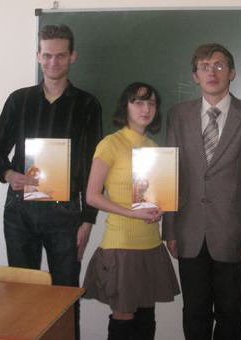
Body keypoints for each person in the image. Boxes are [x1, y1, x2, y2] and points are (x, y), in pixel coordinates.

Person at [0, 24, 102, 340]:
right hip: (20, 212)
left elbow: (94, 166)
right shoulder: (19, 100)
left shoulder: (87, 105)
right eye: (47, 55)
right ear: (38, 55)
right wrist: (9, 174)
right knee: (22, 294)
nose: (53, 62)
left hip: (66, 214)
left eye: (60, 55)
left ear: (72, 56)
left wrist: (88, 220)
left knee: (65, 297)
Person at [162, 43, 241, 340]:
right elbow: (171, 175)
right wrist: (170, 230)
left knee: (231, 316)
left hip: (234, 237)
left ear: (232, 73)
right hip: (189, 233)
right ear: (195, 76)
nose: (212, 72)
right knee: (194, 315)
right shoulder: (178, 115)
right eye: (204, 67)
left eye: (219, 66)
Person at [82, 82, 180, 340]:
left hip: (151, 243)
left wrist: (159, 208)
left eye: (151, 103)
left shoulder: (154, 147)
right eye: (138, 102)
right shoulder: (110, 144)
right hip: (121, 245)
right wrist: (132, 213)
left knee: (147, 318)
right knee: (124, 318)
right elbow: (92, 196)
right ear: (125, 107)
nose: (146, 109)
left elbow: (154, 195)